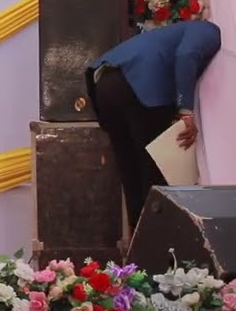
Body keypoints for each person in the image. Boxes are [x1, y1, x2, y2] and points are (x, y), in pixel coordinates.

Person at [85, 20, 222, 228]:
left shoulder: (174, 32)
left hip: (103, 82)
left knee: (129, 171)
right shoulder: (209, 30)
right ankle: (158, 239)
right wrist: (186, 111)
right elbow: (186, 55)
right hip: (141, 85)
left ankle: (138, 239)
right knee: (155, 171)